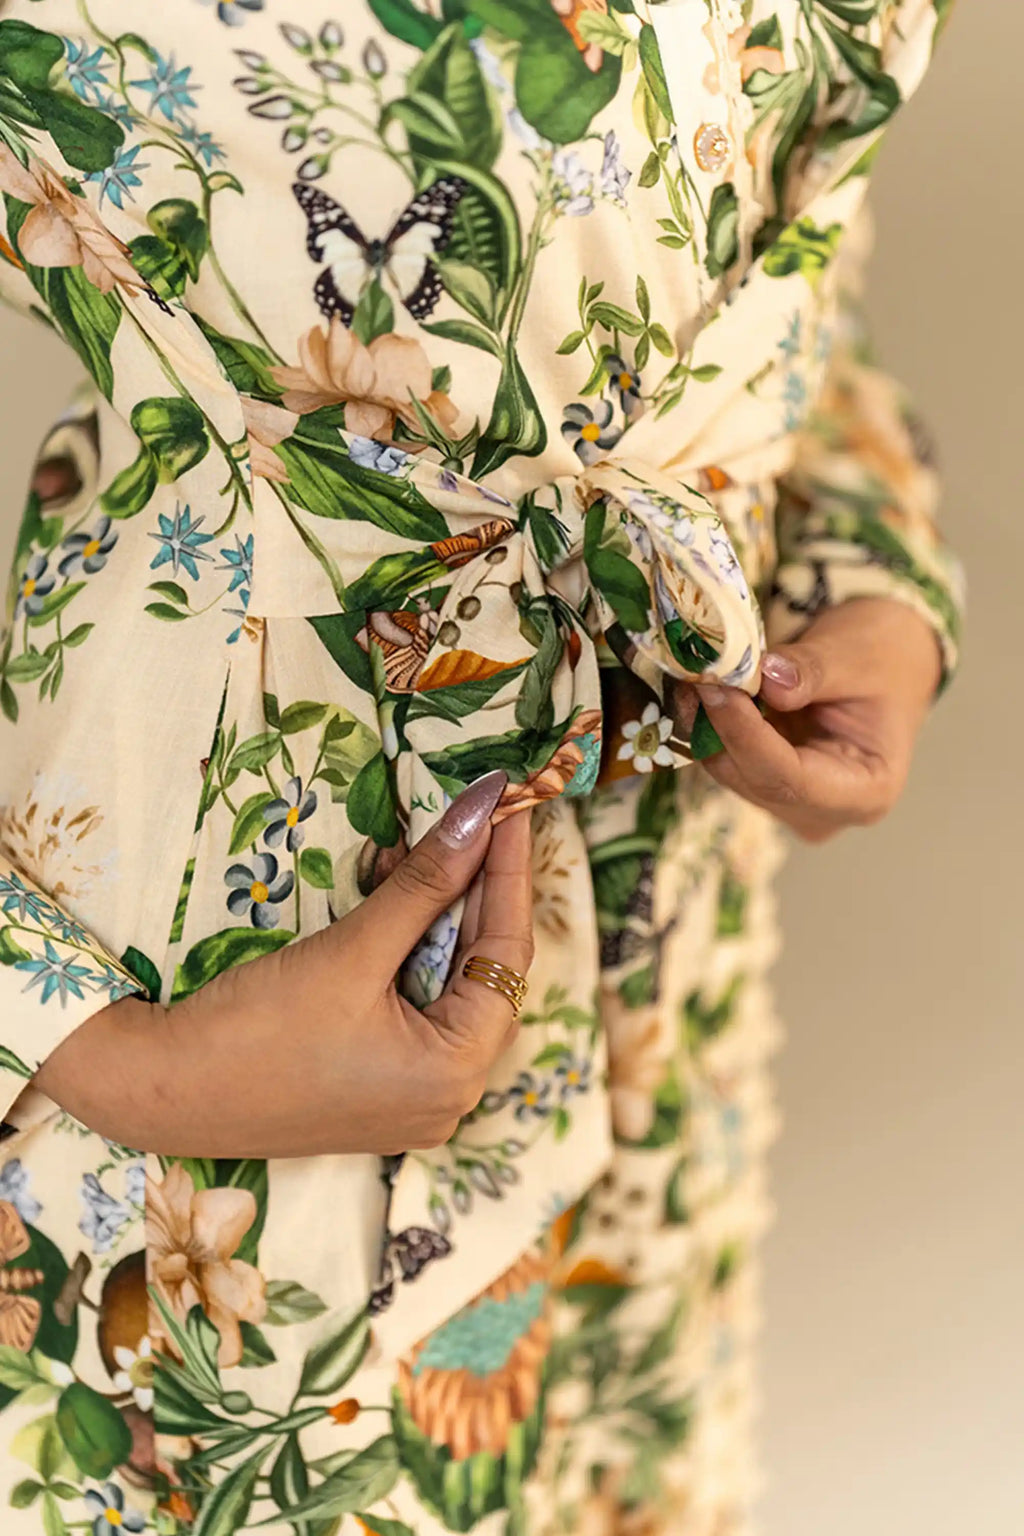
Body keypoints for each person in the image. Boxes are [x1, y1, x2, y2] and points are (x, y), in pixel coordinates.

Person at [0, 2, 963, 1532]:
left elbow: (776, 259)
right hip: (220, 986)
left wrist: (875, 574)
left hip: (664, 913)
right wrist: (96, 1044)